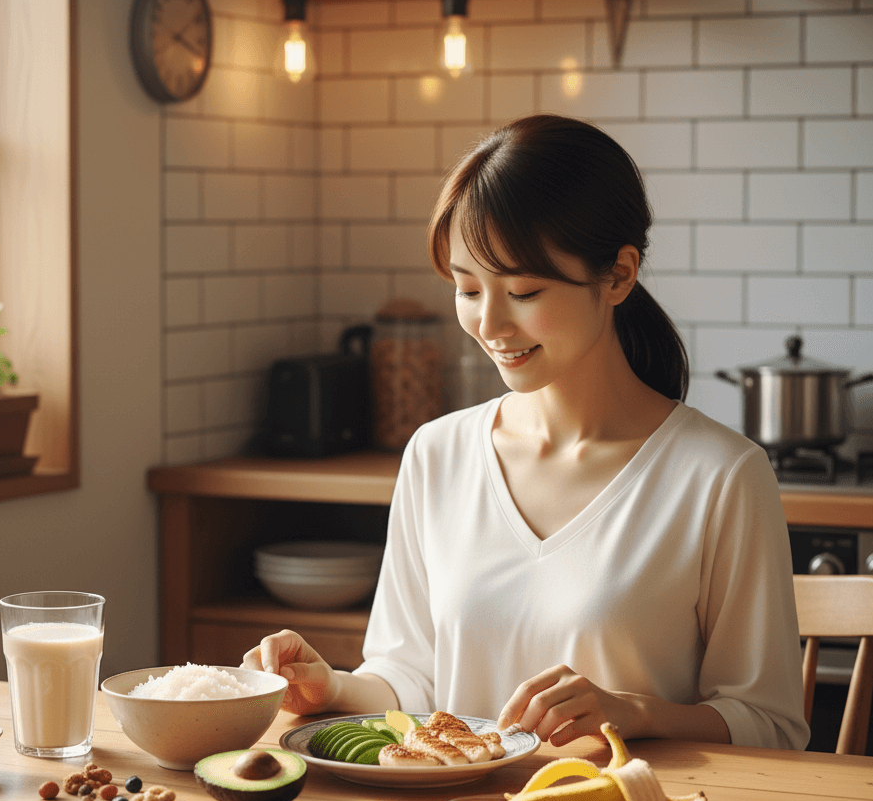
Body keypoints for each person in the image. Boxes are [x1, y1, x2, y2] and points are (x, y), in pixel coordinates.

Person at [243, 114, 809, 751]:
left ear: (619, 275)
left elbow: (772, 727)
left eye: (524, 290)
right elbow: (412, 677)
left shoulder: (719, 477)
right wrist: (336, 689)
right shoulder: (437, 454)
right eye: (466, 289)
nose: (490, 324)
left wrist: (637, 713)